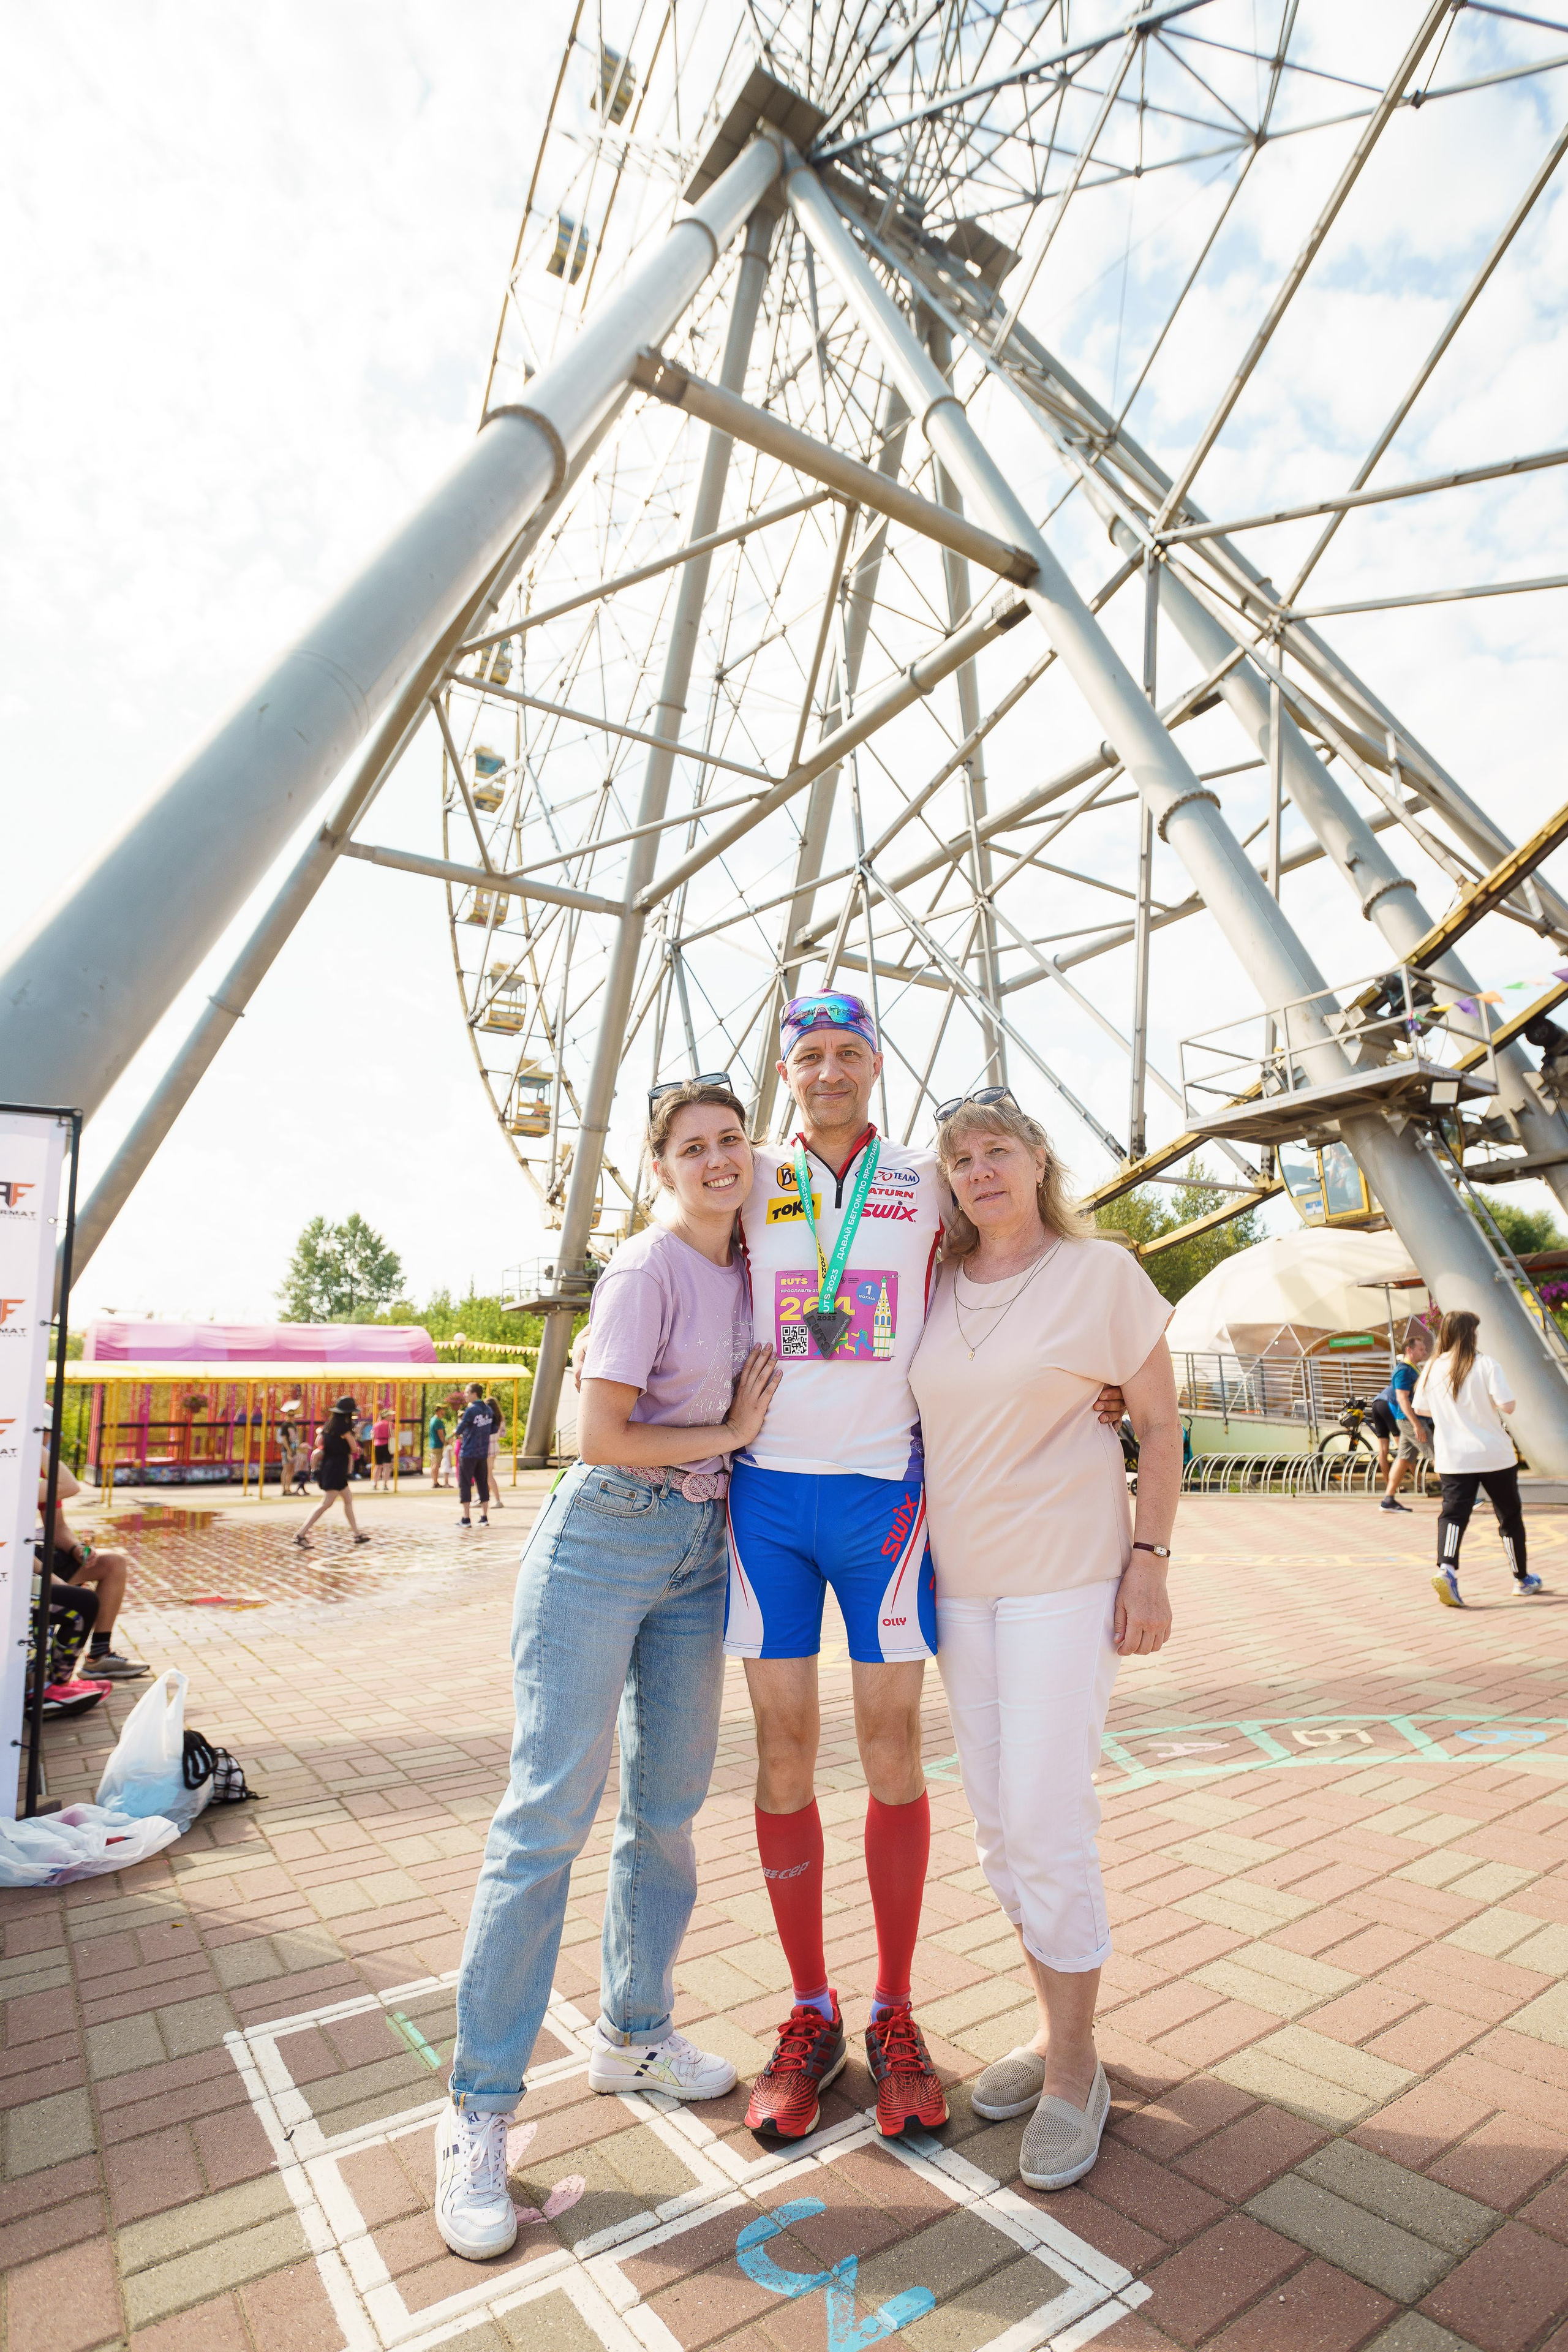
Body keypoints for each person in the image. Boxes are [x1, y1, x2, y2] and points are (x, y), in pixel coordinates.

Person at [727, 997, 1125, 2144]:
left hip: (888, 1500)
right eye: (811, 1056)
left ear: (876, 1066)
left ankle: (897, 2010)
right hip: (767, 1496)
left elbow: (1019, 1263)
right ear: (788, 1071)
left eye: (850, 1053)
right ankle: (811, 2010)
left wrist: (1099, 1378)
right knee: (783, 1751)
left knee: (893, 1747)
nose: (831, 1071)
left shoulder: (926, 1179)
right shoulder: (745, 1175)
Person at [437, 1080, 782, 2262]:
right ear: (661, 1170)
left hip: (698, 1552)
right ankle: (479, 2111)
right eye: (693, 1148)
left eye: (732, 1140)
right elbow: (602, 1435)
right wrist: (730, 1436)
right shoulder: (646, 1272)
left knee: (669, 1811)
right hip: (603, 1540)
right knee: (545, 1823)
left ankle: (635, 2031)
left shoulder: (762, 1263)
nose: (717, 1160)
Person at [909, 1095, 1181, 2192]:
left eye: (997, 1152)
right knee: (995, 1828)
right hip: (959, 1587)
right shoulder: (929, 1287)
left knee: (1047, 1813)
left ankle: (1077, 2068)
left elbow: (1158, 1423)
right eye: (961, 1159)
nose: (980, 1171)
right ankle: (1053, 2024)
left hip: (1068, 1578)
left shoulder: (1101, 1273)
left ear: (1037, 1162)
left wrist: (1151, 1558)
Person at [1414, 1308, 1542, 1607]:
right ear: (1470, 1333)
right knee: (1509, 1516)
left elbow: (1422, 1409)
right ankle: (1521, 1579)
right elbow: (1507, 1406)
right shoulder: (1486, 1364)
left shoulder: (1432, 1367)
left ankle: (1446, 1570)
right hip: (1494, 1455)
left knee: (1453, 1516)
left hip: (1454, 1459)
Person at [36, 1459, 148, 1679]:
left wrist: (76, 1549)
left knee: (113, 1563)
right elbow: (71, 1486)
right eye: (43, 1432)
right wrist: (51, 1577)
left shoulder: (36, 1472)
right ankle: (55, 1681)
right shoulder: (13, 1475)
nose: (47, 1439)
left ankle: (98, 1656)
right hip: (18, 1565)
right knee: (82, 1601)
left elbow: (57, 1528)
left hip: (33, 1555)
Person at [295, 1398, 371, 1547]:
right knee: (325, 1504)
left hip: (331, 1467)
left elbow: (319, 1443)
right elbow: (354, 1448)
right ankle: (300, 1534)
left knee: (348, 1499)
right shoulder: (344, 1429)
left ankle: (357, 1534)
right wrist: (352, 1447)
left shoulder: (328, 1427)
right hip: (336, 1469)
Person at [1378, 1325, 1434, 1512]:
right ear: (1409, 1350)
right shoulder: (1403, 1371)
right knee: (1436, 1455)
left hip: (1409, 1421)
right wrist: (1417, 1425)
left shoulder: (1411, 1369)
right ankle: (1461, 1498)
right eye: (1421, 1349)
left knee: (1403, 1459)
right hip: (1411, 1421)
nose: (1424, 1353)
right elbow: (1402, 1398)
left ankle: (1388, 1500)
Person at [454, 1382, 502, 1529]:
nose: (465, 1394)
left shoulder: (471, 1410)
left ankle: (466, 1518)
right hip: (483, 1452)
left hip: (468, 1452)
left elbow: (459, 1429)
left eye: (467, 1392)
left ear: (475, 1394)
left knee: (465, 1484)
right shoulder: (488, 1409)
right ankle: (484, 1517)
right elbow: (494, 1428)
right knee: (482, 1483)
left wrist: (463, 1433)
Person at [371, 1403, 394, 1492]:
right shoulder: (390, 1425)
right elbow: (393, 1435)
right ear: (387, 1416)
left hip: (377, 1445)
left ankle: (375, 1483)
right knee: (387, 1466)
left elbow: (373, 1436)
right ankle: (385, 1484)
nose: (392, 1417)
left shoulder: (376, 1424)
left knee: (378, 1466)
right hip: (387, 1445)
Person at [429, 1404, 450, 1489]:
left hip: (433, 1445)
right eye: (443, 1409)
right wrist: (446, 1443)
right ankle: (435, 1482)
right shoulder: (438, 1421)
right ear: (439, 1410)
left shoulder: (433, 1419)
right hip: (437, 1445)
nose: (444, 1411)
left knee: (434, 1463)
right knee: (436, 1464)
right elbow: (441, 1435)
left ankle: (435, 1481)